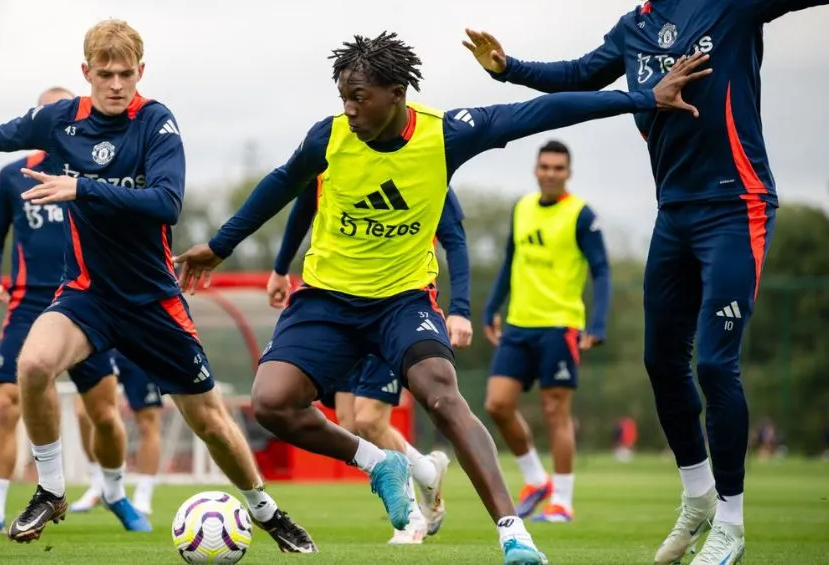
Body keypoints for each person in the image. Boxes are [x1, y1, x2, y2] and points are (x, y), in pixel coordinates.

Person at [174, 30, 710, 565]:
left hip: (402, 301)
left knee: (442, 394)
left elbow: (545, 112)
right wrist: (219, 247)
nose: (350, 110)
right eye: (343, 97)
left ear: (397, 92)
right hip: (326, 299)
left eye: (359, 98)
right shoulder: (329, 137)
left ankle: (514, 536)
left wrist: (643, 97)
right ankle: (377, 462)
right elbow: (283, 184)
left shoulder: (447, 134)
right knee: (271, 403)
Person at [0, 19, 316, 552]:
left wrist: (82, 187)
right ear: (86, 73)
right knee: (33, 365)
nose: (117, 84)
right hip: (88, 294)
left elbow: (166, 203)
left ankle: (265, 510)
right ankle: (50, 489)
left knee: (210, 420)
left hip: (152, 300)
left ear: (141, 72)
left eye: (126, 74)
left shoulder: (156, 123)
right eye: (105, 74)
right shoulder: (60, 121)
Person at [463, 1, 829, 562]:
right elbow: (577, 75)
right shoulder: (633, 27)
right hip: (675, 213)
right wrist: (507, 66)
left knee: (713, 363)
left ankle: (730, 526)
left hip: (737, 207)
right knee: (662, 362)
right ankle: (698, 499)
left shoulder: (730, 7)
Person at [0, 86, 151, 536]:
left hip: (86, 301)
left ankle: (115, 494)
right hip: (28, 303)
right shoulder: (12, 177)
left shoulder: (95, 172)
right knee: (5, 403)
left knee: (102, 411)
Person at [267, 185, 473, 543]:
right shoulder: (334, 157)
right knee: (349, 422)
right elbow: (302, 209)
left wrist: (461, 310)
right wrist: (281, 267)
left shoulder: (426, 162)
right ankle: (425, 469)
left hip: (392, 310)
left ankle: (410, 519)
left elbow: (454, 239)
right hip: (339, 310)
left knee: (369, 419)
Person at [482, 140, 611, 524]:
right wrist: (491, 308)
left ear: (568, 172)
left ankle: (562, 503)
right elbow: (510, 260)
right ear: (536, 169)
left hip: (560, 326)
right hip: (519, 324)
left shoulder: (581, 215)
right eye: (545, 166)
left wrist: (597, 324)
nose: (551, 173)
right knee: (496, 405)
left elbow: (602, 269)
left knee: (556, 412)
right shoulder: (521, 208)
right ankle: (536, 481)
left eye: (559, 168)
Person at [69, 351, 164, 516]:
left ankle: (143, 495)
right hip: (103, 343)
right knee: (84, 413)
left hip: (137, 345)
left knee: (147, 420)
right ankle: (98, 485)